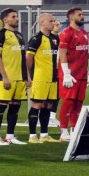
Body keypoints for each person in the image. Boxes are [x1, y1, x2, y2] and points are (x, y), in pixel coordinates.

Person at [0, 8, 27, 146]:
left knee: (15, 107)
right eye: (13, 17)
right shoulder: (0, 34)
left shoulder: (19, 35)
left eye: (16, 16)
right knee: (1, 107)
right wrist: (4, 76)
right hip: (7, 77)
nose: (16, 19)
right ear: (5, 19)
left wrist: (27, 77)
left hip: (20, 78)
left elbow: (22, 57)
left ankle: (10, 136)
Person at [26, 13, 59, 143]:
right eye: (50, 21)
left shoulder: (55, 39)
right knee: (37, 104)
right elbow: (28, 58)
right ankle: (32, 135)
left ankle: (44, 135)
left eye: (53, 20)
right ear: (42, 23)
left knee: (48, 105)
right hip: (40, 77)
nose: (53, 23)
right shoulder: (36, 38)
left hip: (53, 78)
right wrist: (28, 76)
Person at [58, 7, 89, 141]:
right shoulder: (66, 33)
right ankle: (63, 131)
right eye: (79, 15)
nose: (82, 17)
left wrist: (87, 73)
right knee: (68, 101)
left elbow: (84, 55)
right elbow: (62, 54)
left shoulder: (84, 33)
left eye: (82, 14)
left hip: (81, 74)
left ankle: (74, 129)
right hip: (70, 75)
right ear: (71, 17)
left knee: (78, 102)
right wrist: (66, 73)